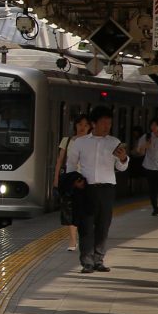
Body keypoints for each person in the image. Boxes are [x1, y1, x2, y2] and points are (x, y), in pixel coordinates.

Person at [67, 107, 128, 272]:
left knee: (103, 225)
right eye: (103, 123)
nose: (107, 126)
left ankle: (98, 259)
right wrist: (75, 181)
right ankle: (87, 261)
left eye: (109, 123)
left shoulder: (114, 142)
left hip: (107, 188)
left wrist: (123, 159)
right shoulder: (80, 142)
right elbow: (71, 165)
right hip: (87, 188)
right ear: (93, 124)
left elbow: (121, 168)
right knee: (86, 225)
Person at [53, 112, 90, 253]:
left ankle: (82, 236)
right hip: (69, 179)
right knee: (69, 209)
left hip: (86, 178)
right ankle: (73, 240)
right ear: (75, 125)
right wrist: (56, 180)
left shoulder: (90, 141)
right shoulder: (67, 140)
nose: (82, 127)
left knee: (84, 209)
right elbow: (59, 161)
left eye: (86, 125)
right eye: (80, 124)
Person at [135, 118, 158, 215]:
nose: (154, 127)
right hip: (149, 166)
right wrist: (145, 146)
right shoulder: (147, 137)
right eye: (152, 125)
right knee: (152, 189)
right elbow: (139, 150)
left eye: (156, 125)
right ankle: (155, 208)